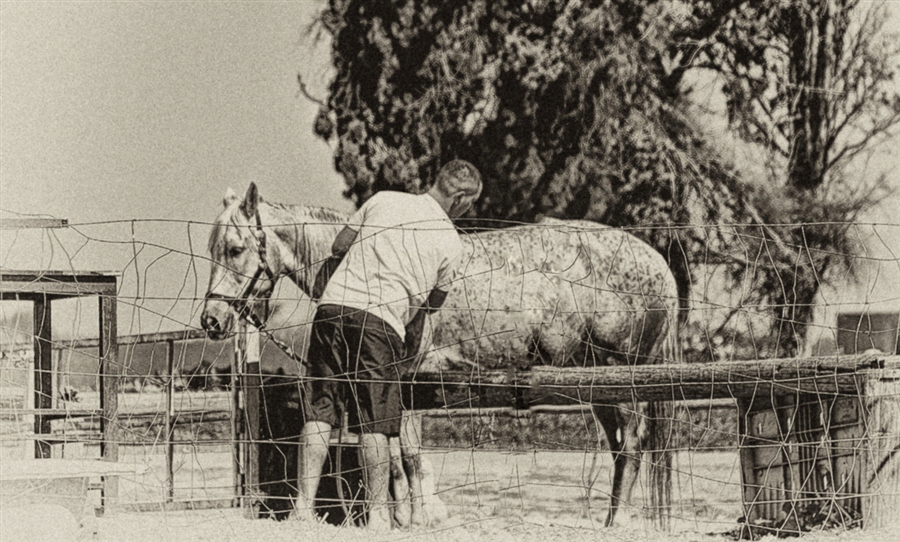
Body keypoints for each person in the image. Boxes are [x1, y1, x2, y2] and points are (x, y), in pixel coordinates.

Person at [295, 160, 482, 529]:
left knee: (319, 412)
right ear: (460, 198)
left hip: (331, 309)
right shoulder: (451, 242)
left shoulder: (383, 199)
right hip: (380, 323)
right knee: (375, 423)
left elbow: (339, 244)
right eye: (471, 203)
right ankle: (377, 514)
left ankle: (302, 509)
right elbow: (433, 305)